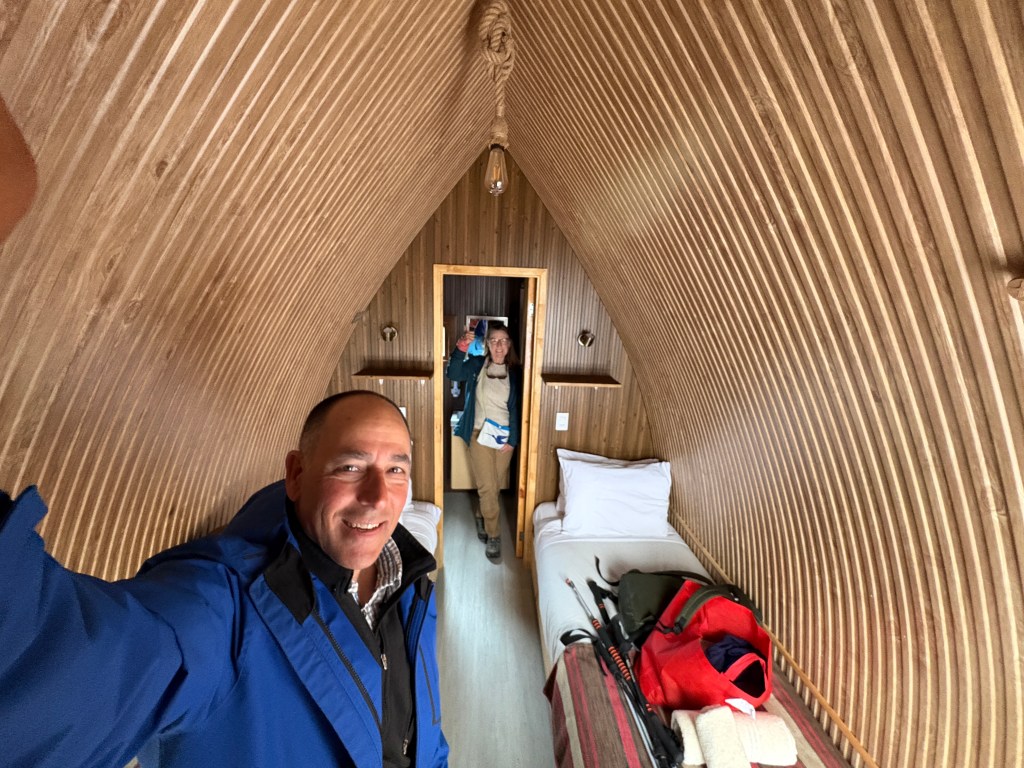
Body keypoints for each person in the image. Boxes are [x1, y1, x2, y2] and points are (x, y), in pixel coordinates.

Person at [0, 391, 449, 768]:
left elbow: (421, 739)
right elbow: (81, 669)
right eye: (350, 467)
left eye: (396, 470)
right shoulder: (222, 607)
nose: (378, 497)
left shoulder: (411, 588)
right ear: (296, 475)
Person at [445, 320, 520, 561]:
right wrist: (461, 347)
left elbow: (516, 410)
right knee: (488, 487)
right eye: (494, 340)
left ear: (509, 345)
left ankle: (480, 515)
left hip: (503, 439)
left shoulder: (515, 374)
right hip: (479, 435)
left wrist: (513, 440)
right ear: (487, 344)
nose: (499, 346)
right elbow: (453, 373)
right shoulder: (477, 365)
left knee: (492, 486)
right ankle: (494, 535)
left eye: (503, 341)